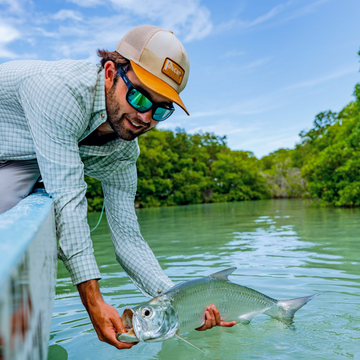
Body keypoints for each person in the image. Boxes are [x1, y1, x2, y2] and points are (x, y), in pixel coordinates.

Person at [0, 25, 236, 350]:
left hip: (26, 164)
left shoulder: (125, 152)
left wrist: (178, 305)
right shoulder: (60, 90)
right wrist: (93, 301)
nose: (145, 116)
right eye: (139, 96)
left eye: (161, 109)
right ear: (110, 72)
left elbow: (128, 238)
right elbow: (70, 200)